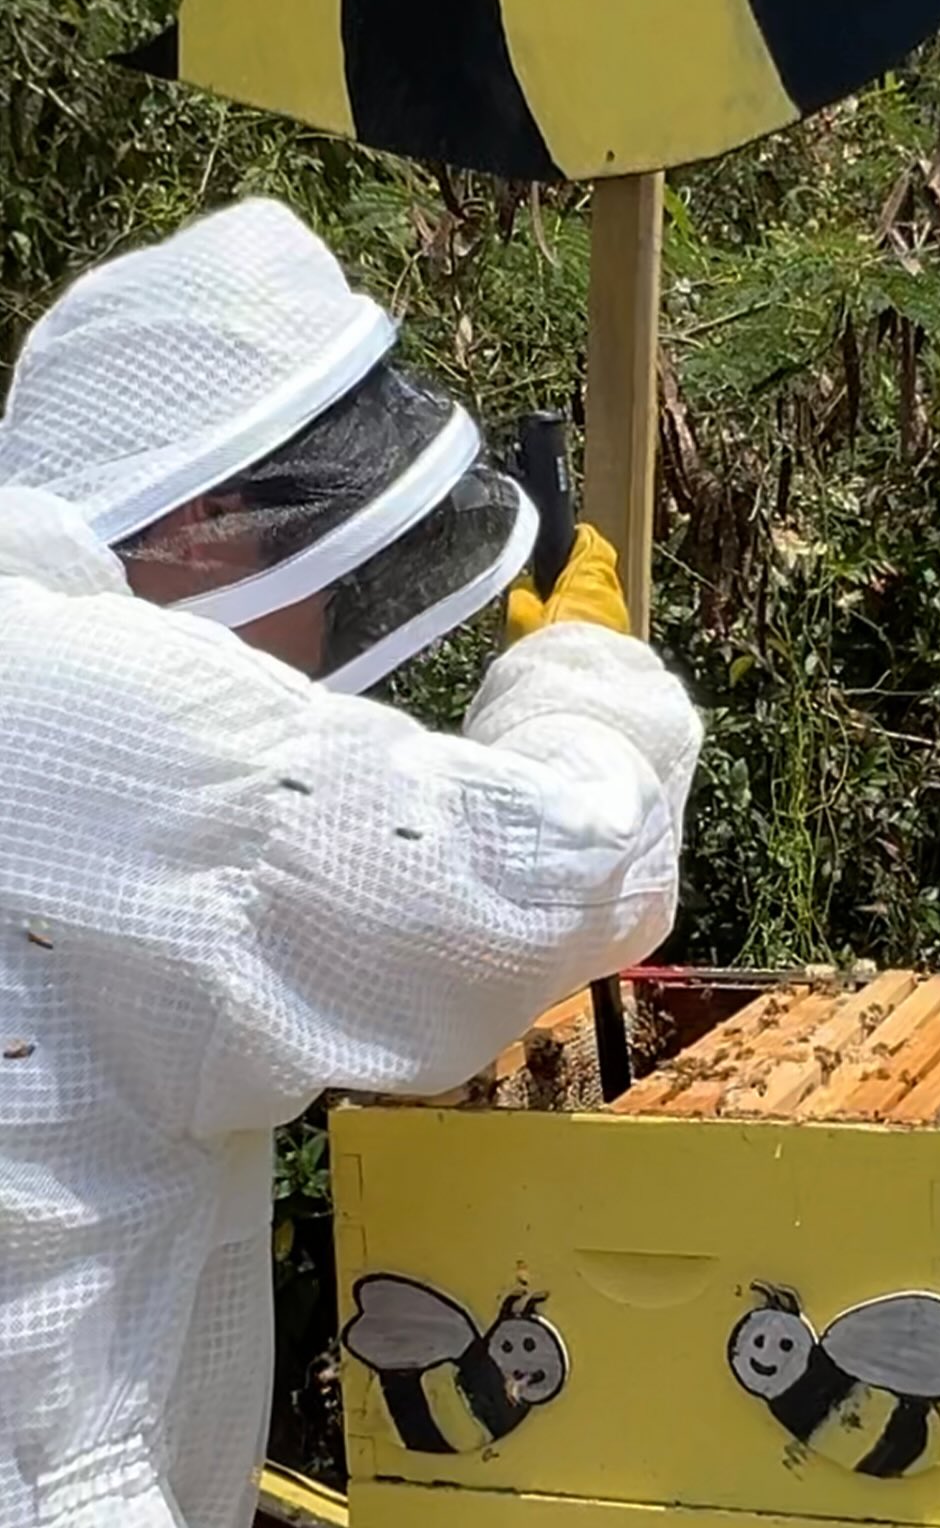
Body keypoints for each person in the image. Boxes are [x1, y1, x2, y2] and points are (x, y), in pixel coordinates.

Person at [0, 198, 701, 1528]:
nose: (325, 623)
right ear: (211, 515)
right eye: (320, 563)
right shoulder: (104, 711)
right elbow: (549, 873)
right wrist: (583, 670)